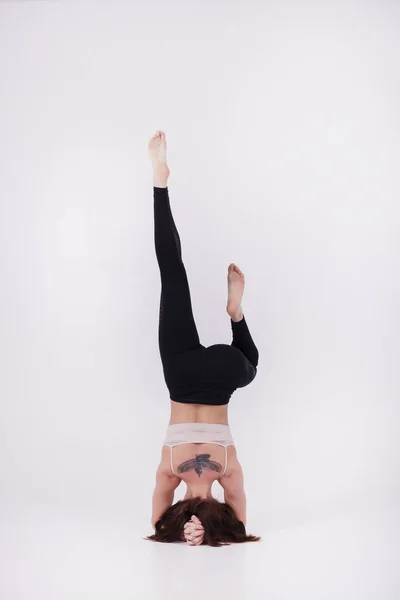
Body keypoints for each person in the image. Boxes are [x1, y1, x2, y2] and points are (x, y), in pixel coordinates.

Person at [145, 131, 261, 547]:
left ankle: (237, 315)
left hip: (220, 376)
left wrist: (210, 531)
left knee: (251, 365)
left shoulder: (227, 471)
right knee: (171, 273)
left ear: (217, 508)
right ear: (181, 508)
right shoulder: (170, 470)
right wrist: (180, 530)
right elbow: (157, 521)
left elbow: (241, 523)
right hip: (180, 373)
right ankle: (160, 184)